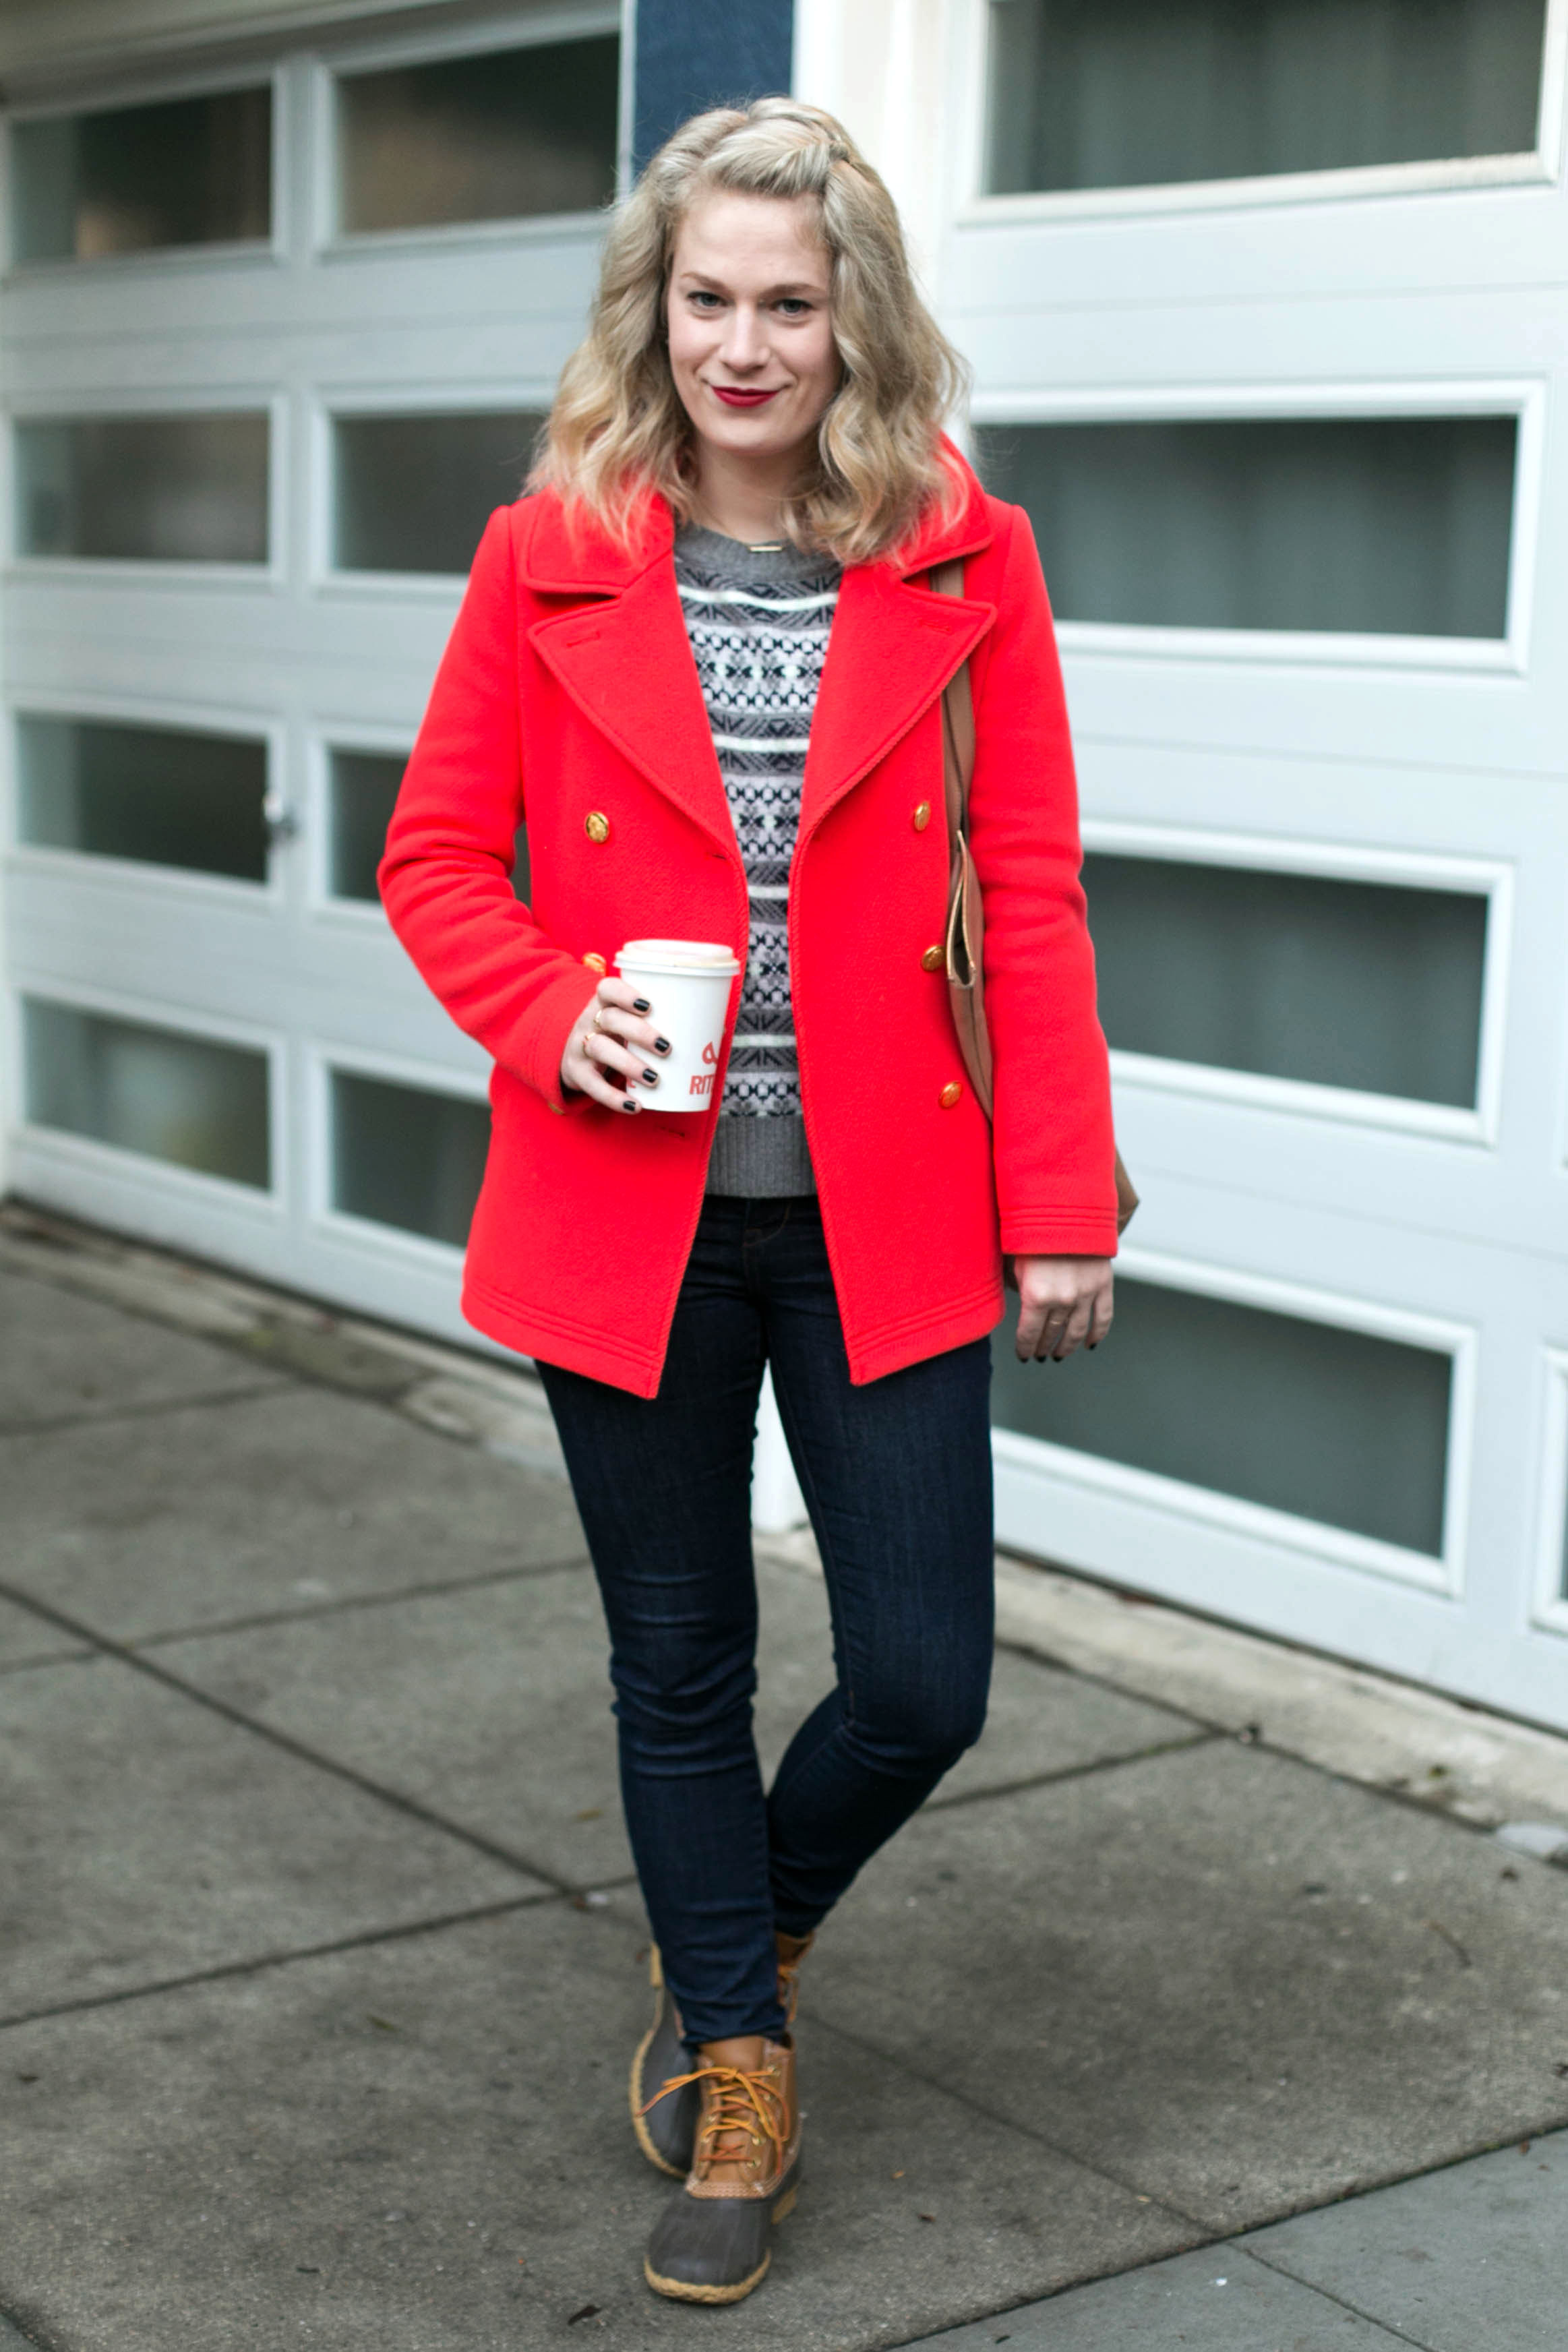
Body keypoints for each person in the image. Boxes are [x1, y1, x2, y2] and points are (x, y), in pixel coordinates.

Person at [380, 96, 1118, 2308]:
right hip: (636, 1205)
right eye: (708, 298)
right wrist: (551, 1010)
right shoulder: (549, 552)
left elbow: (1034, 887)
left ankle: (741, 1924)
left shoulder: (966, 554)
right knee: (680, 1658)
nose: (744, 342)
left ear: (853, 320)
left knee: (923, 1678)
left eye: (789, 303)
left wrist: (1061, 1196)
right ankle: (738, 2045)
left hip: (886, 1203)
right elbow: (433, 862)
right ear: (657, 307)